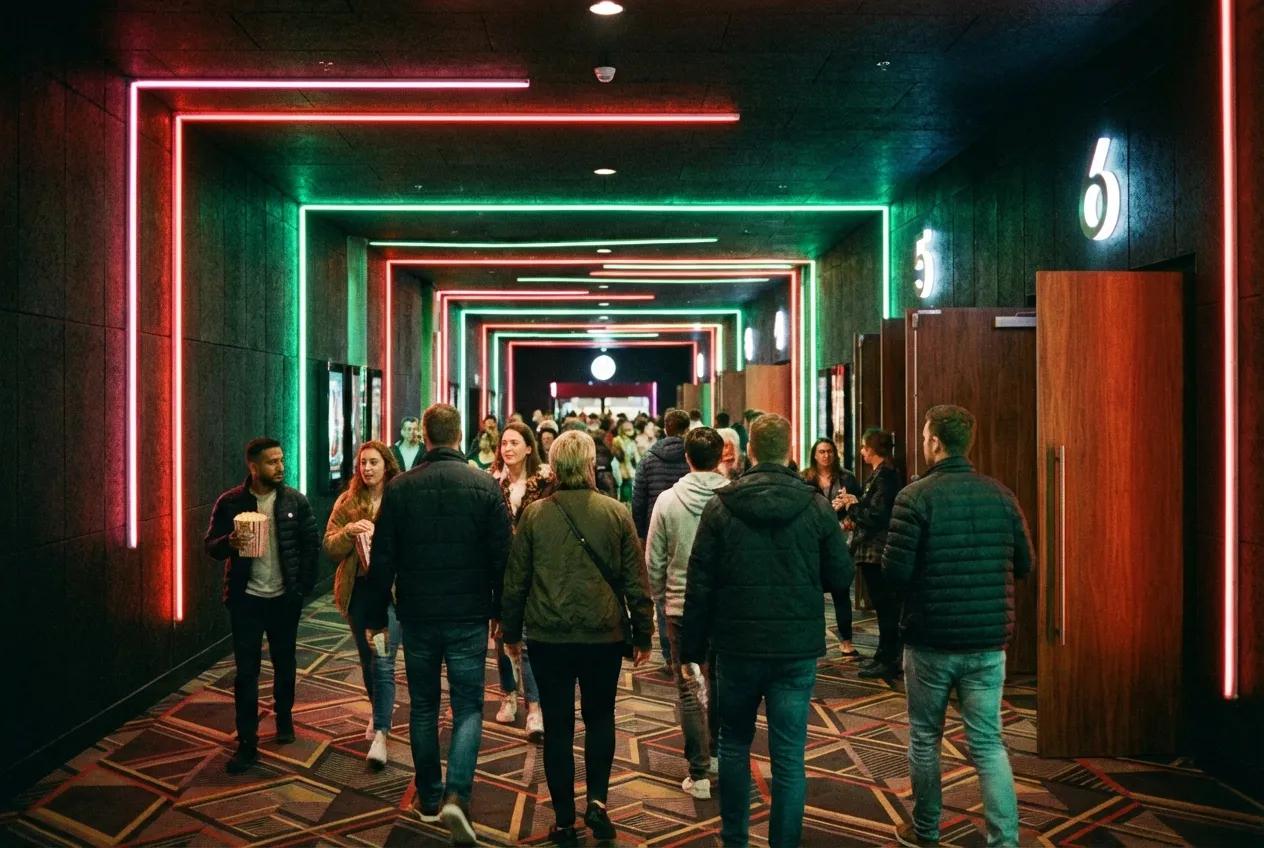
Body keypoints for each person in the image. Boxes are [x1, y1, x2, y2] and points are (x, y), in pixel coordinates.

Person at [682, 414, 853, 848]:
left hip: (737, 646)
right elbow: (841, 575)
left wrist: (691, 650)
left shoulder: (721, 506)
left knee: (734, 746)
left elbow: (699, 583)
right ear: (789, 450)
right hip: (795, 647)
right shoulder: (815, 506)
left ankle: (735, 839)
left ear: (750, 451)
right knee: (790, 757)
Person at [363, 403, 513, 845]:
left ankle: (429, 797)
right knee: (468, 707)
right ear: (459, 435)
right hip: (469, 615)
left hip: (418, 615)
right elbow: (503, 559)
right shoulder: (485, 485)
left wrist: (375, 617)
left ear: (424, 437)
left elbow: (383, 559)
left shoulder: (401, 488)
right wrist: (503, 615)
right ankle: (457, 795)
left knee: (424, 706)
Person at [884, 405, 1033, 848]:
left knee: (925, 737)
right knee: (988, 743)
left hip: (930, 639)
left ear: (934, 442)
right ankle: (1004, 841)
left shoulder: (915, 497)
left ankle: (926, 829)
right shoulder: (1001, 495)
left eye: (924, 436)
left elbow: (894, 574)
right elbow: (1025, 563)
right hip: (987, 641)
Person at [502, 430, 654, 847]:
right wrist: (643, 633)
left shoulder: (535, 515)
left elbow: (516, 581)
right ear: (589, 465)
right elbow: (635, 581)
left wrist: (510, 633)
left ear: (554, 466)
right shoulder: (615, 512)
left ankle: (565, 819)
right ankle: (598, 802)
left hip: (548, 636)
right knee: (600, 718)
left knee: (558, 727)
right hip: (603, 635)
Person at [204, 437, 318, 774]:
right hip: (246, 600)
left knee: (285, 663)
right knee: (246, 673)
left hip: (284, 599)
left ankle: (284, 717)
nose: (280, 467)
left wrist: (301, 589)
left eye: (281, 460)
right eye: (272, 462)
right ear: (253, 467)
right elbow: (211, 545)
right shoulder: (231, 502)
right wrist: (229, 542)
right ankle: (247, 742)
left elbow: (310, 546)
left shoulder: (295, 501)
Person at [645, 428, 728, 799]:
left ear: (687, 458)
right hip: (723, 606)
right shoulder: (732, 497)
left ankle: (699, 773)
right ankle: (716, 754)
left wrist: (660, 599)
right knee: (719, 681)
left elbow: (654, 559)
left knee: (690, 688)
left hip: (680, 606)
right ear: (720, 457)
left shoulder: (668, 500)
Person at [322, 440, 402, 768]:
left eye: (373, 462)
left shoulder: (399, 497)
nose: (367, 469)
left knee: (383, 657)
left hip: (391, 592)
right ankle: (377, 707)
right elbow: (329, 545)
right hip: (358, 592)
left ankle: (381, 727)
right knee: (368, 657)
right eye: (362, 463)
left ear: (387, 465)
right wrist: (348, 532)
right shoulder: (348, 500)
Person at [492, 421, 551, 741]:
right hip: (500, 571)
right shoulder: (493, 482)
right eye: (504, 443)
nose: (508, 449)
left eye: (514, 443)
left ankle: (535, 707)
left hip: (534, 569)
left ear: (529, 447)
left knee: (527, 641)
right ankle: (508, 694)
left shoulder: (544, 482)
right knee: (502, 635)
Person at [842, 429, 906, 680]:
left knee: (886, 606)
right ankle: (884, 655)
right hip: (873, 550)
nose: (861, 452)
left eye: (863, 447)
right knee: (882, 606)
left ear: (871, 449)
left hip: (877, 551)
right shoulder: (880, 475)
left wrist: (852, 506)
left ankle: (889, 658)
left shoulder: (885, 476)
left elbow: (876, 516)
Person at [632, 408, 692, 665]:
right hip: (687, 524)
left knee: (659, 584)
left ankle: (669, 652)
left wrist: (640, 532)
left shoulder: (648, 458)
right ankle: (689, 645)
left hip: (655, 526)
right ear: (686, 429)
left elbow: (638, 499)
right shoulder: (691, 456)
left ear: (665, 428)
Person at [803, 437, 863, 659]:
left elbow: (858, 507)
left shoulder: (846, 478)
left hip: (840, 541)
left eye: (829, 451)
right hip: (814, 542)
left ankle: (846, 641)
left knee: (841, 590)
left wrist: (847, 517)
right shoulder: (805, 478)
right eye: (821, 451)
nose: (826, 455)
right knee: (813, 592)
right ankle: (814, 640)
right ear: (814, 455)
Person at [612, 419, 640, 504]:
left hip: (630, 469)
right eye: (627, 429)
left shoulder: (632, 441)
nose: (630, 431)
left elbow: (636, 456)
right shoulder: (617, 440)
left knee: (628, 486)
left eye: (631, 429)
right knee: (624, 486)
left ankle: (627, 503)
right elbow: (619, 455)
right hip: (621, 468)